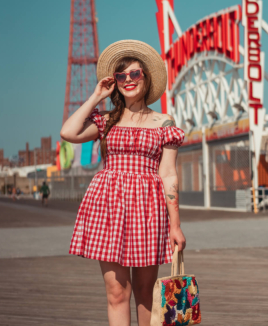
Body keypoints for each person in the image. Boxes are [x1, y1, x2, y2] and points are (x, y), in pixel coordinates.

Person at [61, 40, 186, 326]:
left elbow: (168, 174)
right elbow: (67, 132)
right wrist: (96, 96)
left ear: (146, 77)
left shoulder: (164, 122)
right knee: (117, 291)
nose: (128, 80)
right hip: (109, 207)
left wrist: (175, 225)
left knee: (145, 292)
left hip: (147, 208)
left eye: (134, 74)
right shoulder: (106, 120)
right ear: (114, 82)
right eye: (121, 76)